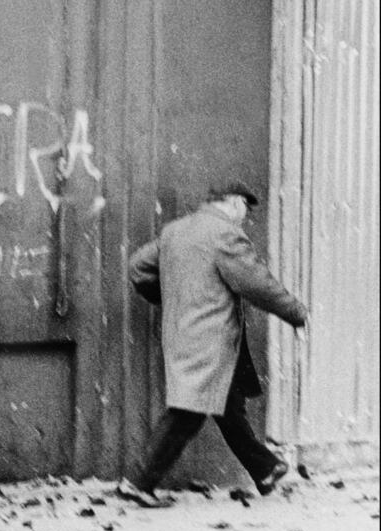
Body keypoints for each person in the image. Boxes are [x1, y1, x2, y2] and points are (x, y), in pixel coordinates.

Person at [117, 182, 308, 508]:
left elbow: (138, 268)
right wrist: (297, 313)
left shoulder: (175, 230)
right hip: (211, 339)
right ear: (233, 203)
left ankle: (265, 469)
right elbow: (256, 284)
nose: (245, 218)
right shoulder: (225, 235)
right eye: (245, 209)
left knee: (228, 405)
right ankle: (138, 481)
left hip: (183, 333)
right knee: (189, 411)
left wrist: (171, 297)